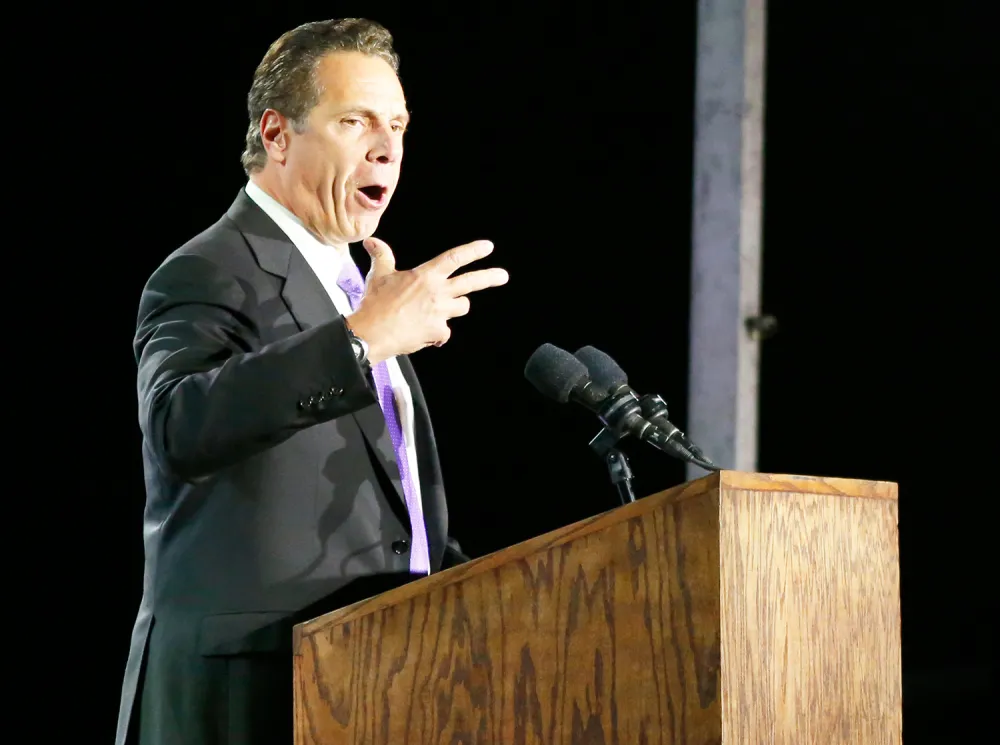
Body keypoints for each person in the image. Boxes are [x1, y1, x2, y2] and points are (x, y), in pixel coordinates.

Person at [114, 17, 509, 745]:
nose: (386, 147)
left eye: (397, 124)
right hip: (247, 693)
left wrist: (503, 600)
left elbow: (399, 525)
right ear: (277, 134)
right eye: (355, 120)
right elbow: (178, 425)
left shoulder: (358, 289)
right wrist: (361, 342)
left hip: (374, 681)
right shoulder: (209, 269)